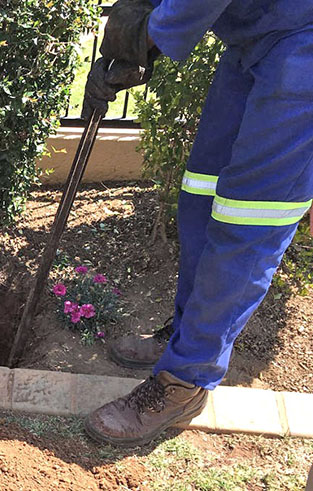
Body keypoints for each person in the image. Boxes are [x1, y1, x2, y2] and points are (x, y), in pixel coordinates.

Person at [82, 0, 313, 446]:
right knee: (201, 198)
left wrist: (143, 37)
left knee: (247, 223)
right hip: (255, 38)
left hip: (304, 47)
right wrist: (140, 31)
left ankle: (186, 378)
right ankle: (187, 334)